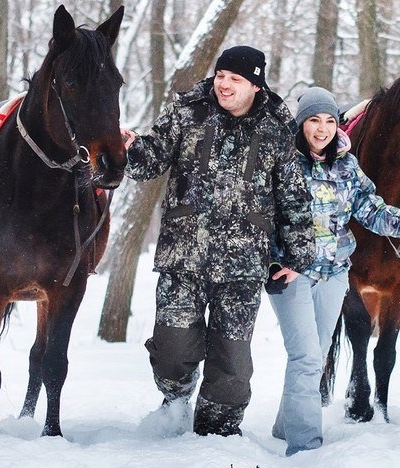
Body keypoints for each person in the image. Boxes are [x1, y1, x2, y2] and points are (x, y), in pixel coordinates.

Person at [122, 46, 315, 437]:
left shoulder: (276, 127)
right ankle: (176, 398)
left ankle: (215, 438)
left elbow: (292, 195)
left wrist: (299, 253)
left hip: (243, 265)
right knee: (173, 351)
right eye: (221, 74)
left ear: (256, 86)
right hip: (184, 255)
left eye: (235, 78)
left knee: (232, 369)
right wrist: (128, 147)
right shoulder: (187, 111)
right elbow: (152, 160)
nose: (223, 83)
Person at [266, 87, 400, 455]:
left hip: (335, 274)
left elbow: (372, 209)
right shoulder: (281, 163)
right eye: (314, 121)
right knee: (306, 358)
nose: (322, 129)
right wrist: (275, 261)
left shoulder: (346, 166)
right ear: (301, 122)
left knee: (313, 354)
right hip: (294, 274)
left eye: (330, 121)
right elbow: (264, 218)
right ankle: (305, 446)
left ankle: (285, 425)